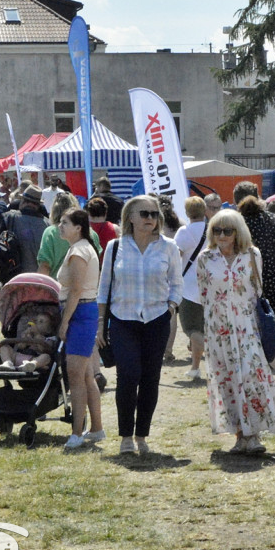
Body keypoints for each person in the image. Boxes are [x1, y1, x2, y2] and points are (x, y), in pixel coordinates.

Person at [198, 209, 275, 454]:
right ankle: (240, 435)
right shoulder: (206, 258)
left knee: (250, 377)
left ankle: (255, 434)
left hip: (246, 326)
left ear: (238, 232)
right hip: (218, 330)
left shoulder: (251, 255)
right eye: (217, 230)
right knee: (227, 379)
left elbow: (256, 290)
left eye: (227, 230)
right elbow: (204, 294)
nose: (222, 235)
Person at [97, 195, 182, 455]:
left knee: (150, 379)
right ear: (130, 217)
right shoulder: (114, 247)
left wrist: (171, 307)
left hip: (157, 319)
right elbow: (104, 289)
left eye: (154, 214)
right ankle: (125, 436)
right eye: (144, 214)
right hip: (123, 319)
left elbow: (177, 285)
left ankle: (142, 435)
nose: (150, 219)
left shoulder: (168, 247)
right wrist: (101, 324)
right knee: (128, 375)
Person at [234, 181, 275, 409]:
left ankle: (261, 393)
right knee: (274, 337)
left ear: (236, 201)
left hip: (250, 288)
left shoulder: (236, 225)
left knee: (249, 341)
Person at [57, 208, 106, 450]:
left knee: (76, 376)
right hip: (85, 312)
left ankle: (76, 433)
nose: (59, 225)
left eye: (64, 222)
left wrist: (65, 321)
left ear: (78, 227)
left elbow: (76, 290)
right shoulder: (83, 247)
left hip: (80, 313)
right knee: (86, 375)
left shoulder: (78, 251)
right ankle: (96, 428)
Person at [172, 196, 208, 381]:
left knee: (191, 329)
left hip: (189, 287)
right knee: (202, 330)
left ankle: (210, 359)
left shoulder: (184, 232)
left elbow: (175, 258)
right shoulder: (213, 230)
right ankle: (195, 367)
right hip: (211, 285)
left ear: (187, 213)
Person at [38, 193, 101, 279]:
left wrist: (40, 289)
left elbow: (44, 266)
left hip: (58, 288)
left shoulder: (50, 232)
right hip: (87, 287)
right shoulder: (91, 233)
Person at [155, 193, 182, 362]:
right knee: (172, 314)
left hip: (159, 270)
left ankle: (159, 347)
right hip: (175, 272)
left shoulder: (156, 226)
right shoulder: (180, 225)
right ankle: (168, 349)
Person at [1, 185, 50, 276]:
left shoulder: (10, 218)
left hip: (14, 276)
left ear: (23, 201)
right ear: (38, 204)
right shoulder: (47, 224)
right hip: (39, 277)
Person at [86, 197, 119, 266]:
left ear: (88, 212)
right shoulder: (115, 229)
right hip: (109, 267)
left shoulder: (83, 228)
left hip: (90, 268)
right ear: (106, 212)